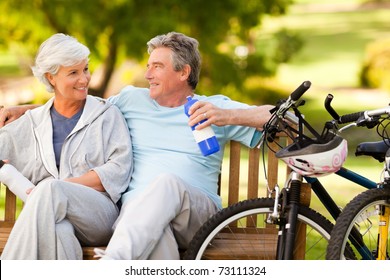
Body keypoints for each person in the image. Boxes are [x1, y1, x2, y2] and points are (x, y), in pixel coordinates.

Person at [0, 32, 273, 260]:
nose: (147, 74)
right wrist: (23, 109)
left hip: (195, 216)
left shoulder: (213, 108)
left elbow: (285, 118)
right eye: (148, 66)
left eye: (157, 66)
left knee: (168, 183)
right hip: (137, 220)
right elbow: (80, 106)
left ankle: (113, 265)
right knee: (156, 239)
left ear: (183, 72)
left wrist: (228, 116)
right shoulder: (132, 100)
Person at [0, 33, 133, 260]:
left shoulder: (106, 115)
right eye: (73, 72)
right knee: (60, 229)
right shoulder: (32, 122)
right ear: (51, 78)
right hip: (52, 218)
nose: (84, 79)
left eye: (85, 69)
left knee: (51, 188)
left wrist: (59, 188)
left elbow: (118, 171)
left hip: (98, 215)